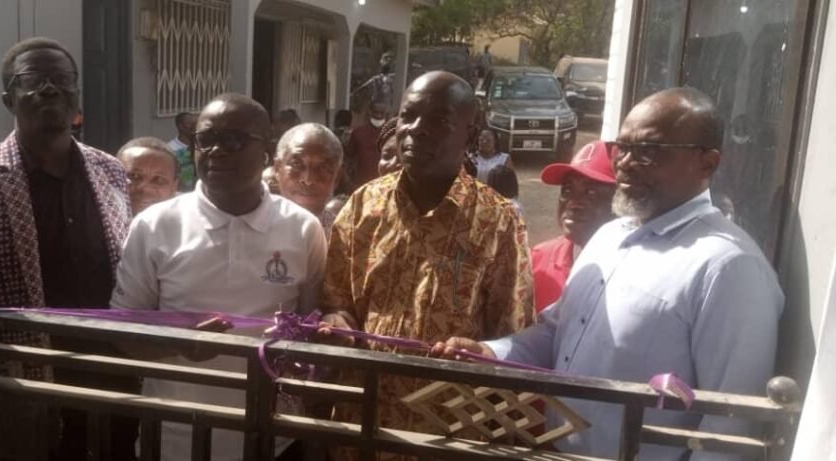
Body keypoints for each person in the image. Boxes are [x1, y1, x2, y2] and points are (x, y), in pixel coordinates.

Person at [432, 87, 784, 460]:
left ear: (707, 164)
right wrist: (490, 352)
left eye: (648, 151)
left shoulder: (729, 267)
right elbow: (556, 333)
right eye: (622, 148)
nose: (625, 163)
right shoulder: (610, 235)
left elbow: (730, 427)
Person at [317, 71, 534, 461]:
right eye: (408, 115)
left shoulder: (498, 221)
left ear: (469, 134)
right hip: (360, 427)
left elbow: (512, 335)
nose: (416, 129)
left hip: (448, 433)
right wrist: (337, 320)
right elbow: (337, 302)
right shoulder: (363, 206)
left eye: (438, 120)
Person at [112, 93, 327, 461]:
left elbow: (310, 332)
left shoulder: (303, 229)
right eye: (205, 139)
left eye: (233, 140)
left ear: (265, 152)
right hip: (175, 441)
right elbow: (122, 332)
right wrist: (180, 344)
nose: (215, 151)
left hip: (272, 441)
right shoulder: (154, 226)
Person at [0, 37, 134, 461]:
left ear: (76, 94)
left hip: (112, 372)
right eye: (33, 79)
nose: (50, 89)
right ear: (8, 99)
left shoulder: (109, 170)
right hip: (23, 379)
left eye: (62, 79)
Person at [530, 141, 616, 312]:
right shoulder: (537, 259)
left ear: (618, 202)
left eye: (591, 193)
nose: (573, 203)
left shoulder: (635, 272)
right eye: (567, 190)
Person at [273, 123, 345, 235]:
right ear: (278, 169)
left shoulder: (348, 237)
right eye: (296, 164)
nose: (308, 180)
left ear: (337, 177)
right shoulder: (252, 230)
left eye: (323, 167)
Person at [117, 137, 180, 216]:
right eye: (134, 176)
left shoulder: (187, 222)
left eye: (158, 179)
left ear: (174, 187)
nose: (145, 189)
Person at [348, 101, 388, 190]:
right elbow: (349, 157)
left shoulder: (391, 134)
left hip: (384, 183)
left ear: (386, 113)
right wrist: (350, 182)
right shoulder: (358, 132)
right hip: (362, 182)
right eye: (376, 112)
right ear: (370, 112)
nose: (378, 116)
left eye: (381, 113)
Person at [167, 111, 198, 191]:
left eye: (195, 123)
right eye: (190, 123)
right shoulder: (170, 148)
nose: (194, 127)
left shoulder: (200, 146)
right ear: (181, 126)